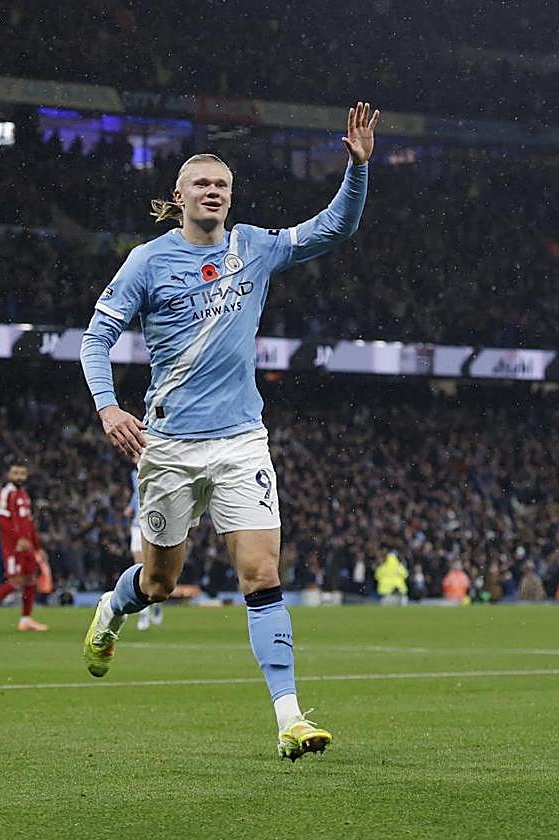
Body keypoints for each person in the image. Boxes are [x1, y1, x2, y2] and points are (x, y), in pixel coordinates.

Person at [78, 102, 378, 761]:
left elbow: (335, 228)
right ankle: (112, 609)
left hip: (242, 439)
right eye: (203, 184)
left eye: (223, 185)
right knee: (157, 584)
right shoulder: (148, 263)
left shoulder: (255, 247)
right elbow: (96, 340)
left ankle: (290, 716)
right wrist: (108, 407)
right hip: (170, 447)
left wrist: (356, 169)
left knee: (261, 574)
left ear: (230, 197)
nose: (214, 192)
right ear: (179, 197)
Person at [0, 461, 48, 632]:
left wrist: (37, 547)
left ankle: (25, 619)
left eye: (22, 473)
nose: (20, 477)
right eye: (16, 473)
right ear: (8, 475)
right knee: (16, 580)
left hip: (27, 545)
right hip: (14, 546)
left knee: (30, 579)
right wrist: (17, 539)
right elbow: (2, 520)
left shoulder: (24, 495)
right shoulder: (5, 494)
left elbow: (29, 523)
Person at [124, 466, 163, 630]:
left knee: (151, 568)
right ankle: (144, 612)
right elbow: (137, 492)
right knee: (139, 568)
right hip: (137, 525)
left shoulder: (154, 468)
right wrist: (131, 507)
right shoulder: (134, 473)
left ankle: (155, 601)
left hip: (152, 523)